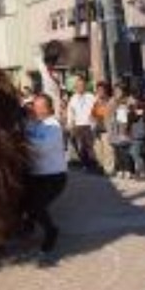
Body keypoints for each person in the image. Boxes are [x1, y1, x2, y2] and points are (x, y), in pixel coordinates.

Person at [21, 93, 67, 258]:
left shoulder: (53, 126)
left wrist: (22, 141)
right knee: (26, 204)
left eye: (41, 107)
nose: (37, 110)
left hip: (53, 177)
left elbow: (40, 149)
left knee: (36, 206)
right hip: (35, 176)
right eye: (35, 106)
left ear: (49, 108)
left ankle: (51, 232)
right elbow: (20, 127)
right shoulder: (33, 124)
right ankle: (29, 227)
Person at [66, 76, 97, 171]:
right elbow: (70, 112)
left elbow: (96, 110)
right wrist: (70, 124)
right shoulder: (73, 98)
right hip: (78, 125)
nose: (80, 87)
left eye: (82, 85)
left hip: (89, 124)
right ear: (75, 87)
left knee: (90, 146)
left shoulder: (91, 97)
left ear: (85, 86)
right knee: (80, 147)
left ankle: (93, 164)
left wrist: (95, 122)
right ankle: (85, 164)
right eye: (78, 86)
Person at [106, 82, 133, 178]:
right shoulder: (112, 101)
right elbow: (108, 116)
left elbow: (129, 115)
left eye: (119, 90)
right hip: (114, 129)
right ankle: (120, 169)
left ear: (123, 91)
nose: (117, 92)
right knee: (117, 151)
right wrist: (109, 130)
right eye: (116, 90)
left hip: (124, 129)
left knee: (124, 151)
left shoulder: (128, 100)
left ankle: (128, 170)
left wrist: (125, 108)